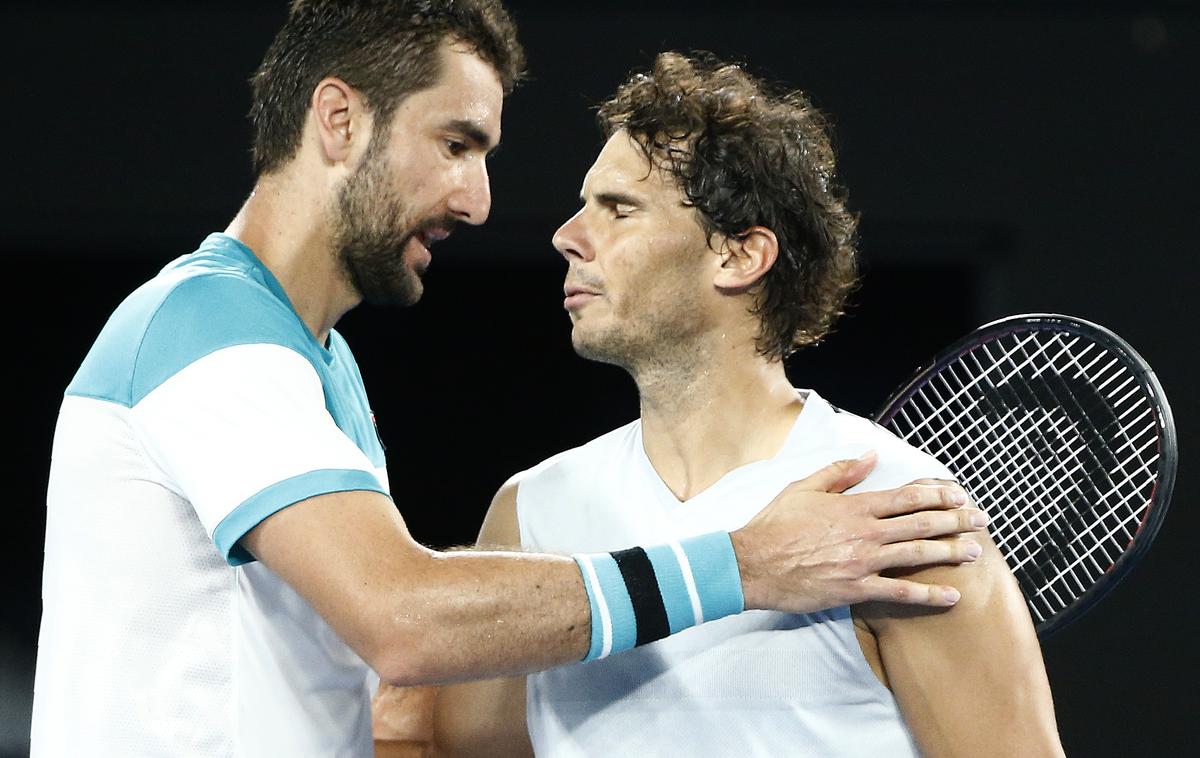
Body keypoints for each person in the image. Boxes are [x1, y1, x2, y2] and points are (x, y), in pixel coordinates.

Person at [32, 4, 988, 756]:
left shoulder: (319, 365)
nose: (481, 202)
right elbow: (402, 616)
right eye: (457, 144)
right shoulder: (210, 333)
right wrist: (746, 565)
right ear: (339, 119)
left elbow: (373, 686)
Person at [374, 52, 1064, 757]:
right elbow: (457, 745)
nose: (568, 236)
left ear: (738, 256)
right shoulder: (531, 510)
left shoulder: (898, 514)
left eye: (619, 209)